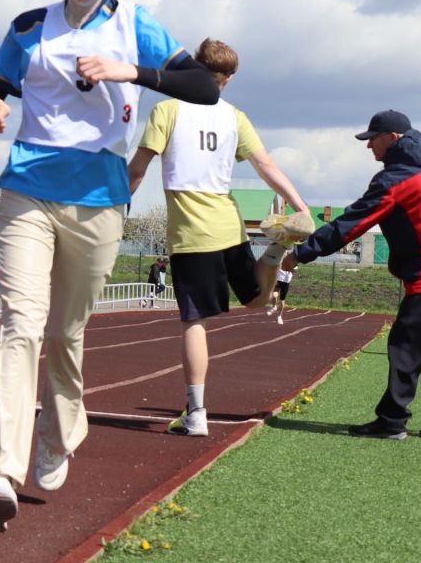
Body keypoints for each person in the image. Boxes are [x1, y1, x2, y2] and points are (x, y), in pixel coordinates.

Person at [0, 0, 223, 531]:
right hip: (27, 190)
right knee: (19, 325)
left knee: (66, 333)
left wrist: (132, 71)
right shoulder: (29, 28)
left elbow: (204, 87)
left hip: (99, 199)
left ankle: (58, 430)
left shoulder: (137, 25)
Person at [127, 38, 311, 435]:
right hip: (229, 224)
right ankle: (276, 246)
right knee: (256, 299)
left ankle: (196, 414)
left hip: (192, 234)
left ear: (193, 68)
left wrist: (114, 209)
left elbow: (138, 168)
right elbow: (265, 165)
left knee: (195, 322)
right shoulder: (234, 116)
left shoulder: (168, 109)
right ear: (228, 79)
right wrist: (301, 206)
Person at [284, 110, 421, 440]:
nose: (368, 147)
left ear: (393, 139)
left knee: (407, 346)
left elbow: (349, 225)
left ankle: (393, 420)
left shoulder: (394, 179)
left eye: (372, 140)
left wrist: (300, 253)